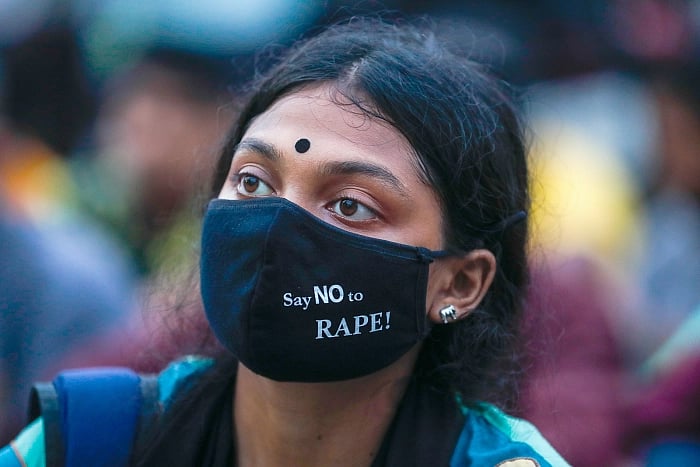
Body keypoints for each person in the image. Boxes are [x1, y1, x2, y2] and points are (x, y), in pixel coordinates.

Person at [1, 18, 568, 466]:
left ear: (460, 282)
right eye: (252, 182)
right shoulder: (86, 442)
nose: (276, 226)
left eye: (350, 205)